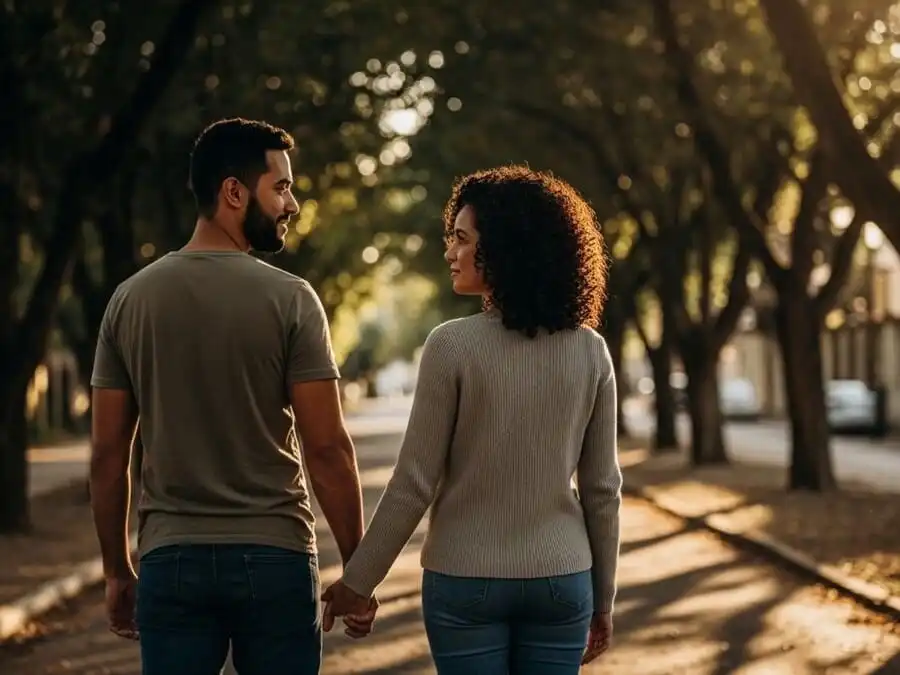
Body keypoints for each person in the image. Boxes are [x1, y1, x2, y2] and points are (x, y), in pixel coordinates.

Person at [89, 117, 373, 675]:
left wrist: (117, 569)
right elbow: (327, 449)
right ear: (234, 191)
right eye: (282, 187)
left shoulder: (129, 300)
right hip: (276, 559)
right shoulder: (292, 300)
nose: (292, 204)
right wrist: (358, 572)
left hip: (170, 561)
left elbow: (107, 455)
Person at [323, 165, 623, 673]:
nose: (450, 252)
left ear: (505, 248)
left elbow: (413, 484)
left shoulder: (451, 345)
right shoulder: (591, 351)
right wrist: (603, 601)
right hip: (562, 580)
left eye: (462, 239)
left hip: (465, 580)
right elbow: (602, 489)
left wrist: (359, 582)